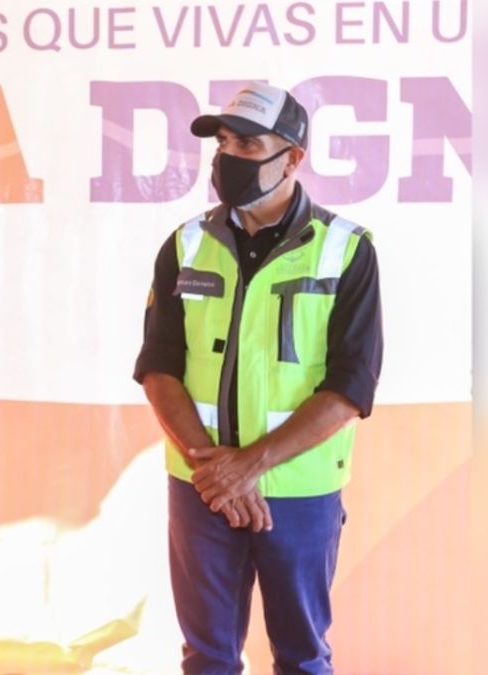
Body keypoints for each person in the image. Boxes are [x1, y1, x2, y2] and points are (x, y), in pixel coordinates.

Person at [133, 82, 383, 674]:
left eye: (247, 144)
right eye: (223, 143)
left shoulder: (346, 251)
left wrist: (250, 465)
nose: (228, 157)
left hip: (298, 494)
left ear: (292, 159)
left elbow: (351, 385)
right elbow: (158, 366)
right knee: (207, 657)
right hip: (201, 489)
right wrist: (214, 469)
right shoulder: (185, 245)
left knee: (301, 657)